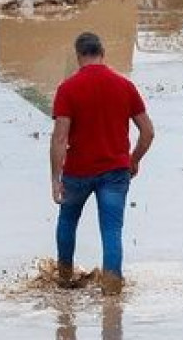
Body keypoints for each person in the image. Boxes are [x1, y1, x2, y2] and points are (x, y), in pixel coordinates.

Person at [51, 32, 155, 294]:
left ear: (78, 56)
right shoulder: (124, 85)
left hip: (77, 171)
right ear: (103, 53)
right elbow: (148, 132)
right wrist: (133, 160)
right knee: (111, 230)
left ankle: (64, 279)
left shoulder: (67, 89)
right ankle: (111, 290)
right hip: (115, 171)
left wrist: (55, 178)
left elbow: (59, 138)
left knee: (67, 221)